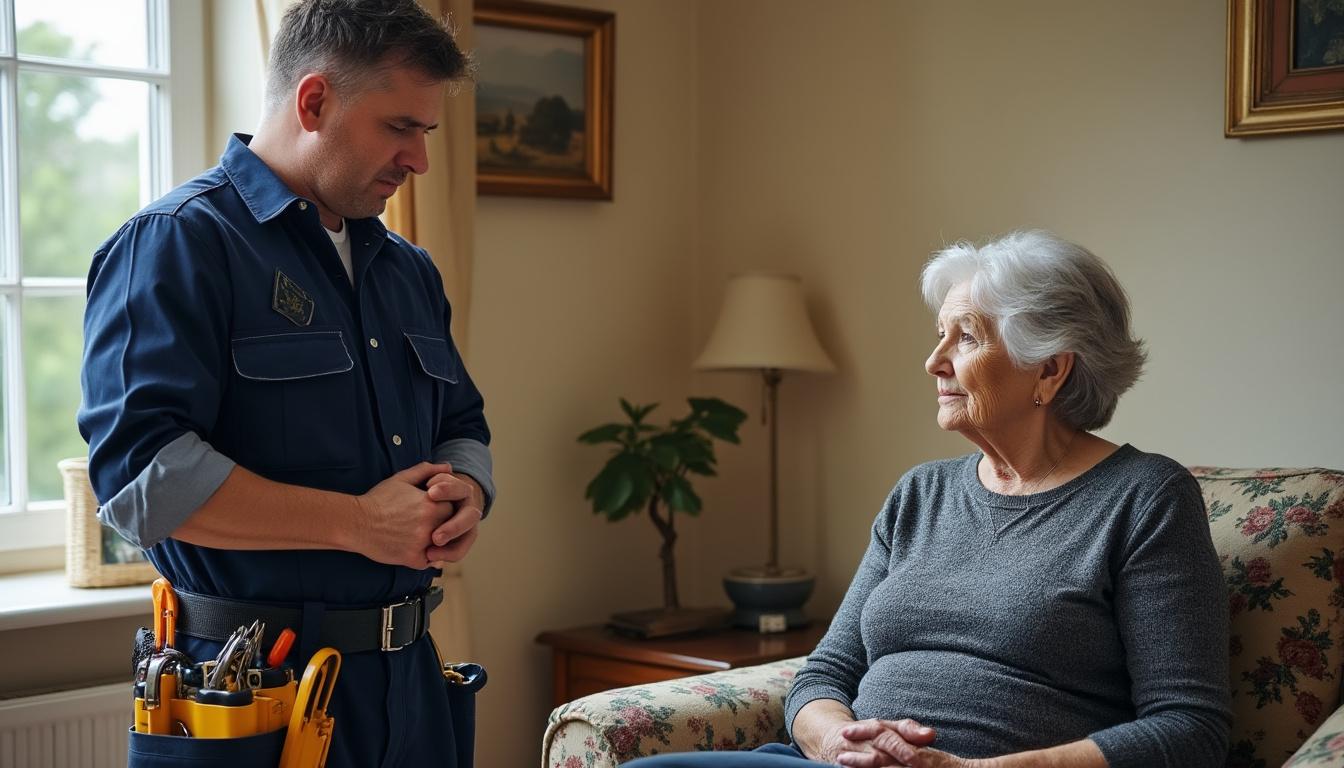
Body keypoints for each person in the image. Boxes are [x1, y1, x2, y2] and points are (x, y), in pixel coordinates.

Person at [628, 230, 1231, 767]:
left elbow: (1190, 729)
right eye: (938, 335)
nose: (932, 361)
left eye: (964, 338)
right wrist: (841, 740)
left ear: (1050, 370)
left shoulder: (1147, 499)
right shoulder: (921, 493)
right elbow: (825, 673)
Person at [77, 1, 491, 765]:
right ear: (314, 101)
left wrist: (468, 488)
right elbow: (143, 480)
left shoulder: (410, 269)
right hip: (251, 696)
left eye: (426, 134)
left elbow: (463, 419)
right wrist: (357, 523)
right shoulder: (177, 244)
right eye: (400, 128)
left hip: (413, 689)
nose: (419, 161)